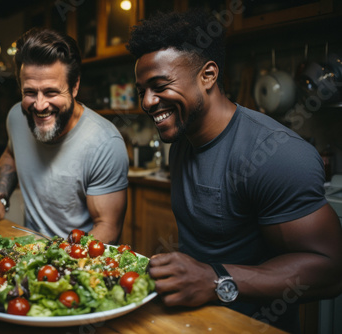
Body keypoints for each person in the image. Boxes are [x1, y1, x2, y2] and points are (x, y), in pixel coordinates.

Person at [127, 10, 342, 333]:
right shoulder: (184, 139)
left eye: (159, 86)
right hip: (192, 321)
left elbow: (330, 270)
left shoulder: (276, 154)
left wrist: (216, 279)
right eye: (142, 89)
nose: (146, 101)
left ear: (208, 75)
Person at [0, 28, 129, 244]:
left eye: (51, 92)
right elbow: (11, 153)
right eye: (30, 92)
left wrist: (57, 258)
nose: (39, 105)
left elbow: (107, 227)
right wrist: (0, 200)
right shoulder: (16, 117)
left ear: (74, 87)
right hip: (28, 252)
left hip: (78, 264)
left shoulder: (104, 143)